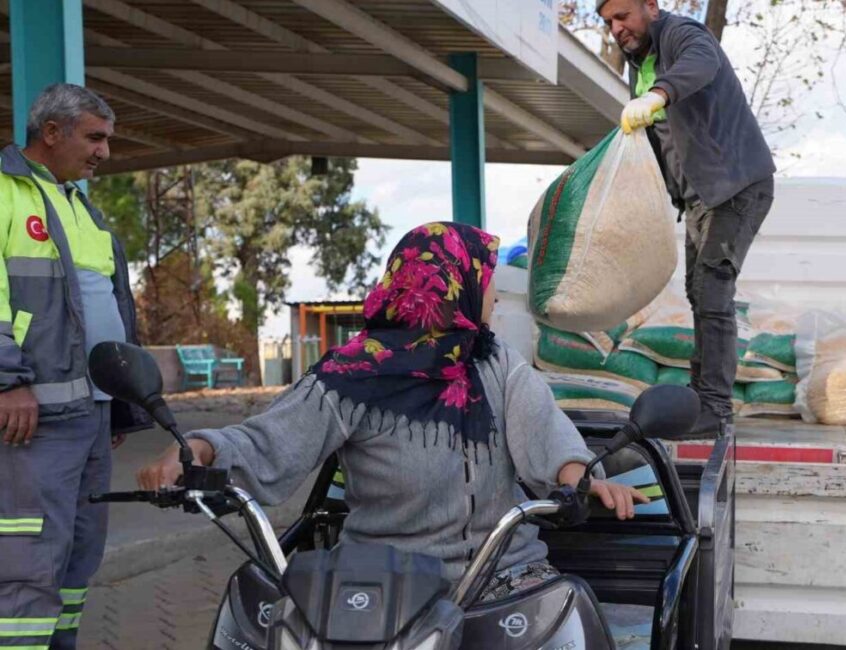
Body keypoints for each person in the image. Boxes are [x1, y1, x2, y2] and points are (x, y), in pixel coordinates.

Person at [137, 222, 647, 600]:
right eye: (486, 280)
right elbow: (268, 440)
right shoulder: (351, 375)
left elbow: (545, 431)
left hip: (505, 576)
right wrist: (197, 449)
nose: (492, 295)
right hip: (381, 586)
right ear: (456, 286)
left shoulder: (497, 363)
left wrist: (582, 477)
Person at [0, 84, 150, 649]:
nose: (104, 153)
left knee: (77, 557)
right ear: (52, 131)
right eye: (95, 137)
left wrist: (120, 404)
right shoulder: (5, 194)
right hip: (30, 417)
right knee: (27, 559)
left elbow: (105, 307)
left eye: (107, 139)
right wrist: (6, 383)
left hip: (88, 414)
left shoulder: (78, 205)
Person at [598, 0, 777, 437]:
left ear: (651, 7)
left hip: (736, 186)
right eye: (609, 23)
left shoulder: (682, 35)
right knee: (699, 293)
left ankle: (714, 408)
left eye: (623, 16)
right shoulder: (638, 66)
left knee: (713, 289)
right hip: (699, 198)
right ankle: (703, 398)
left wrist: (659, 93)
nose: (617, 29)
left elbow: (702, 62)